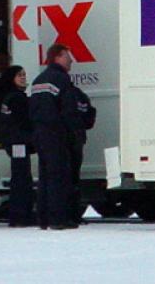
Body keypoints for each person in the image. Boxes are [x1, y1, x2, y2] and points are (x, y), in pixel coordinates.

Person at [29, 44, 83, 230]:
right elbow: (69, 111)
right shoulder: (61, 80)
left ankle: (43, 218)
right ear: (58, 57)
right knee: (60, 177)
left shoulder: (38, 81)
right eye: (68, 56)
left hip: (40, 134)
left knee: (45, 177)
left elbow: (33, 109)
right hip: (57, 134)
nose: (71, 60)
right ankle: (59, 219)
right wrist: (74, 134)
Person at [0, 65, 35, 227]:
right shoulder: (17, 98)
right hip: (19, 143)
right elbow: (23, 122)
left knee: (20, 177)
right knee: (22, 178)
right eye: (19, 75)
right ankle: (21, 214)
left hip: (14, 142)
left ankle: (19, 213)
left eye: (24, 75)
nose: (23, 77)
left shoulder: (8, 98)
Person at [68, 84, 96, 224]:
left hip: (65, 141)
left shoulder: (63, 94)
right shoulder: (79, 94)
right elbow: (89, 118)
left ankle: (67, 213)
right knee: (74, 178)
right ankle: (73, 213)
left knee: (63, 178)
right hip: (78, 139)